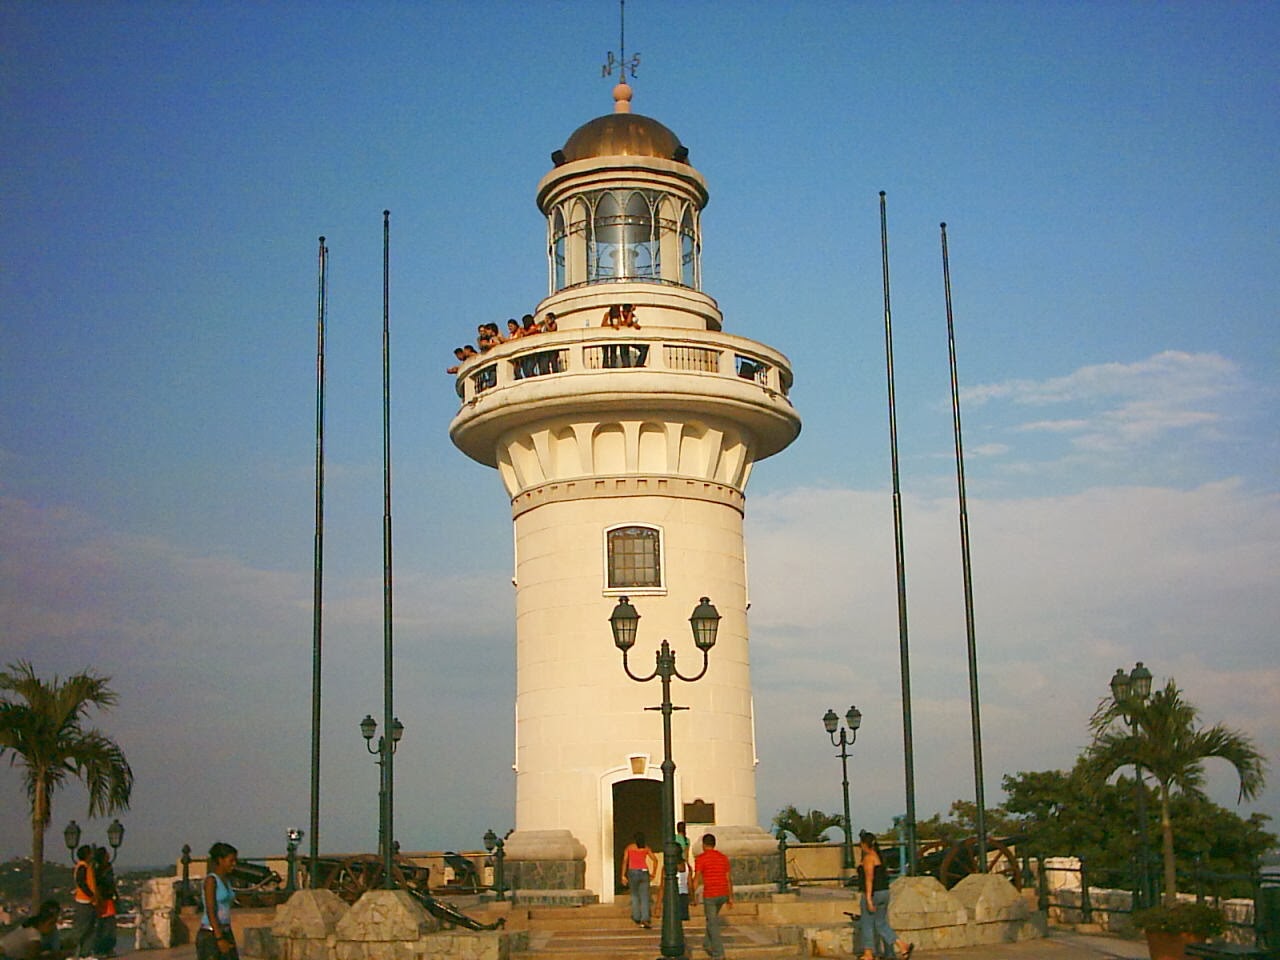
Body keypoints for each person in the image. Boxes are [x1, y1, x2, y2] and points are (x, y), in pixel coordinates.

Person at [857, 830, 912, 960]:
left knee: (867, 923)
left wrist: (869, 899)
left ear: (865, 845)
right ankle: (902, 946)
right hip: (884, 892)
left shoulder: (869, 858)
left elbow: (869, 879)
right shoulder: (878, 857)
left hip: (873, 893)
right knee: (881, 923)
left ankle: (868, 953)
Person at [693, 833, 733, 960]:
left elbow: (697, 878)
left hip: (710, 894)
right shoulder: (723, 858)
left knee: (712, 923)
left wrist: (692, 895)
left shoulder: (701, 858)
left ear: (704, 845)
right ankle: (707, 943)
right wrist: (730, 897)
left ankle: (718, 953)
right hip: (723, 893)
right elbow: (728, 879)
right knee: (712, 920)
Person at [198, 842, 240, 960]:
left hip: (225, 930)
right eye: (231, 861)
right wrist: (219, 938)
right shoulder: (211, 880)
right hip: (212, 933)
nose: (234, 864)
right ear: (220, 860)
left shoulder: (227, 880)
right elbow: (211, 910)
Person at [0, 900, 65, 959]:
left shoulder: (30, 930)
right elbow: (33, 956)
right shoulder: (33, 934)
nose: (53, 927)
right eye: (51, 924)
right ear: (42, 923)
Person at [619, 832, 657, 928]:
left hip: (633, 872)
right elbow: (655, 859)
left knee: (635, 895)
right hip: (644, 872)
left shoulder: (629, 848)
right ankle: (645, 918)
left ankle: (636, 916)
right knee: (644, 896)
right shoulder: (646, 848)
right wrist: (653, 873)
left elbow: (625, 861)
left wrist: (623, 875)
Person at [70, 844, 98, 958]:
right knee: (82, 929)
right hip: (84, 901)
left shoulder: (87, 866)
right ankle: (73, 953)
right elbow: (81, 882)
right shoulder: (82, 866)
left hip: (89, 902)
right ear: (87, 855)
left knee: (90, 928)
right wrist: (91, 895)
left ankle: (85, 954)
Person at [92, 846, 118, 958]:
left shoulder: (106, 868)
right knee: (105, 925)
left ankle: (107, 949)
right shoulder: (99, 870)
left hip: (108, 899)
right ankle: (101, 949)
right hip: (103, 899)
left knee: (108, 925)